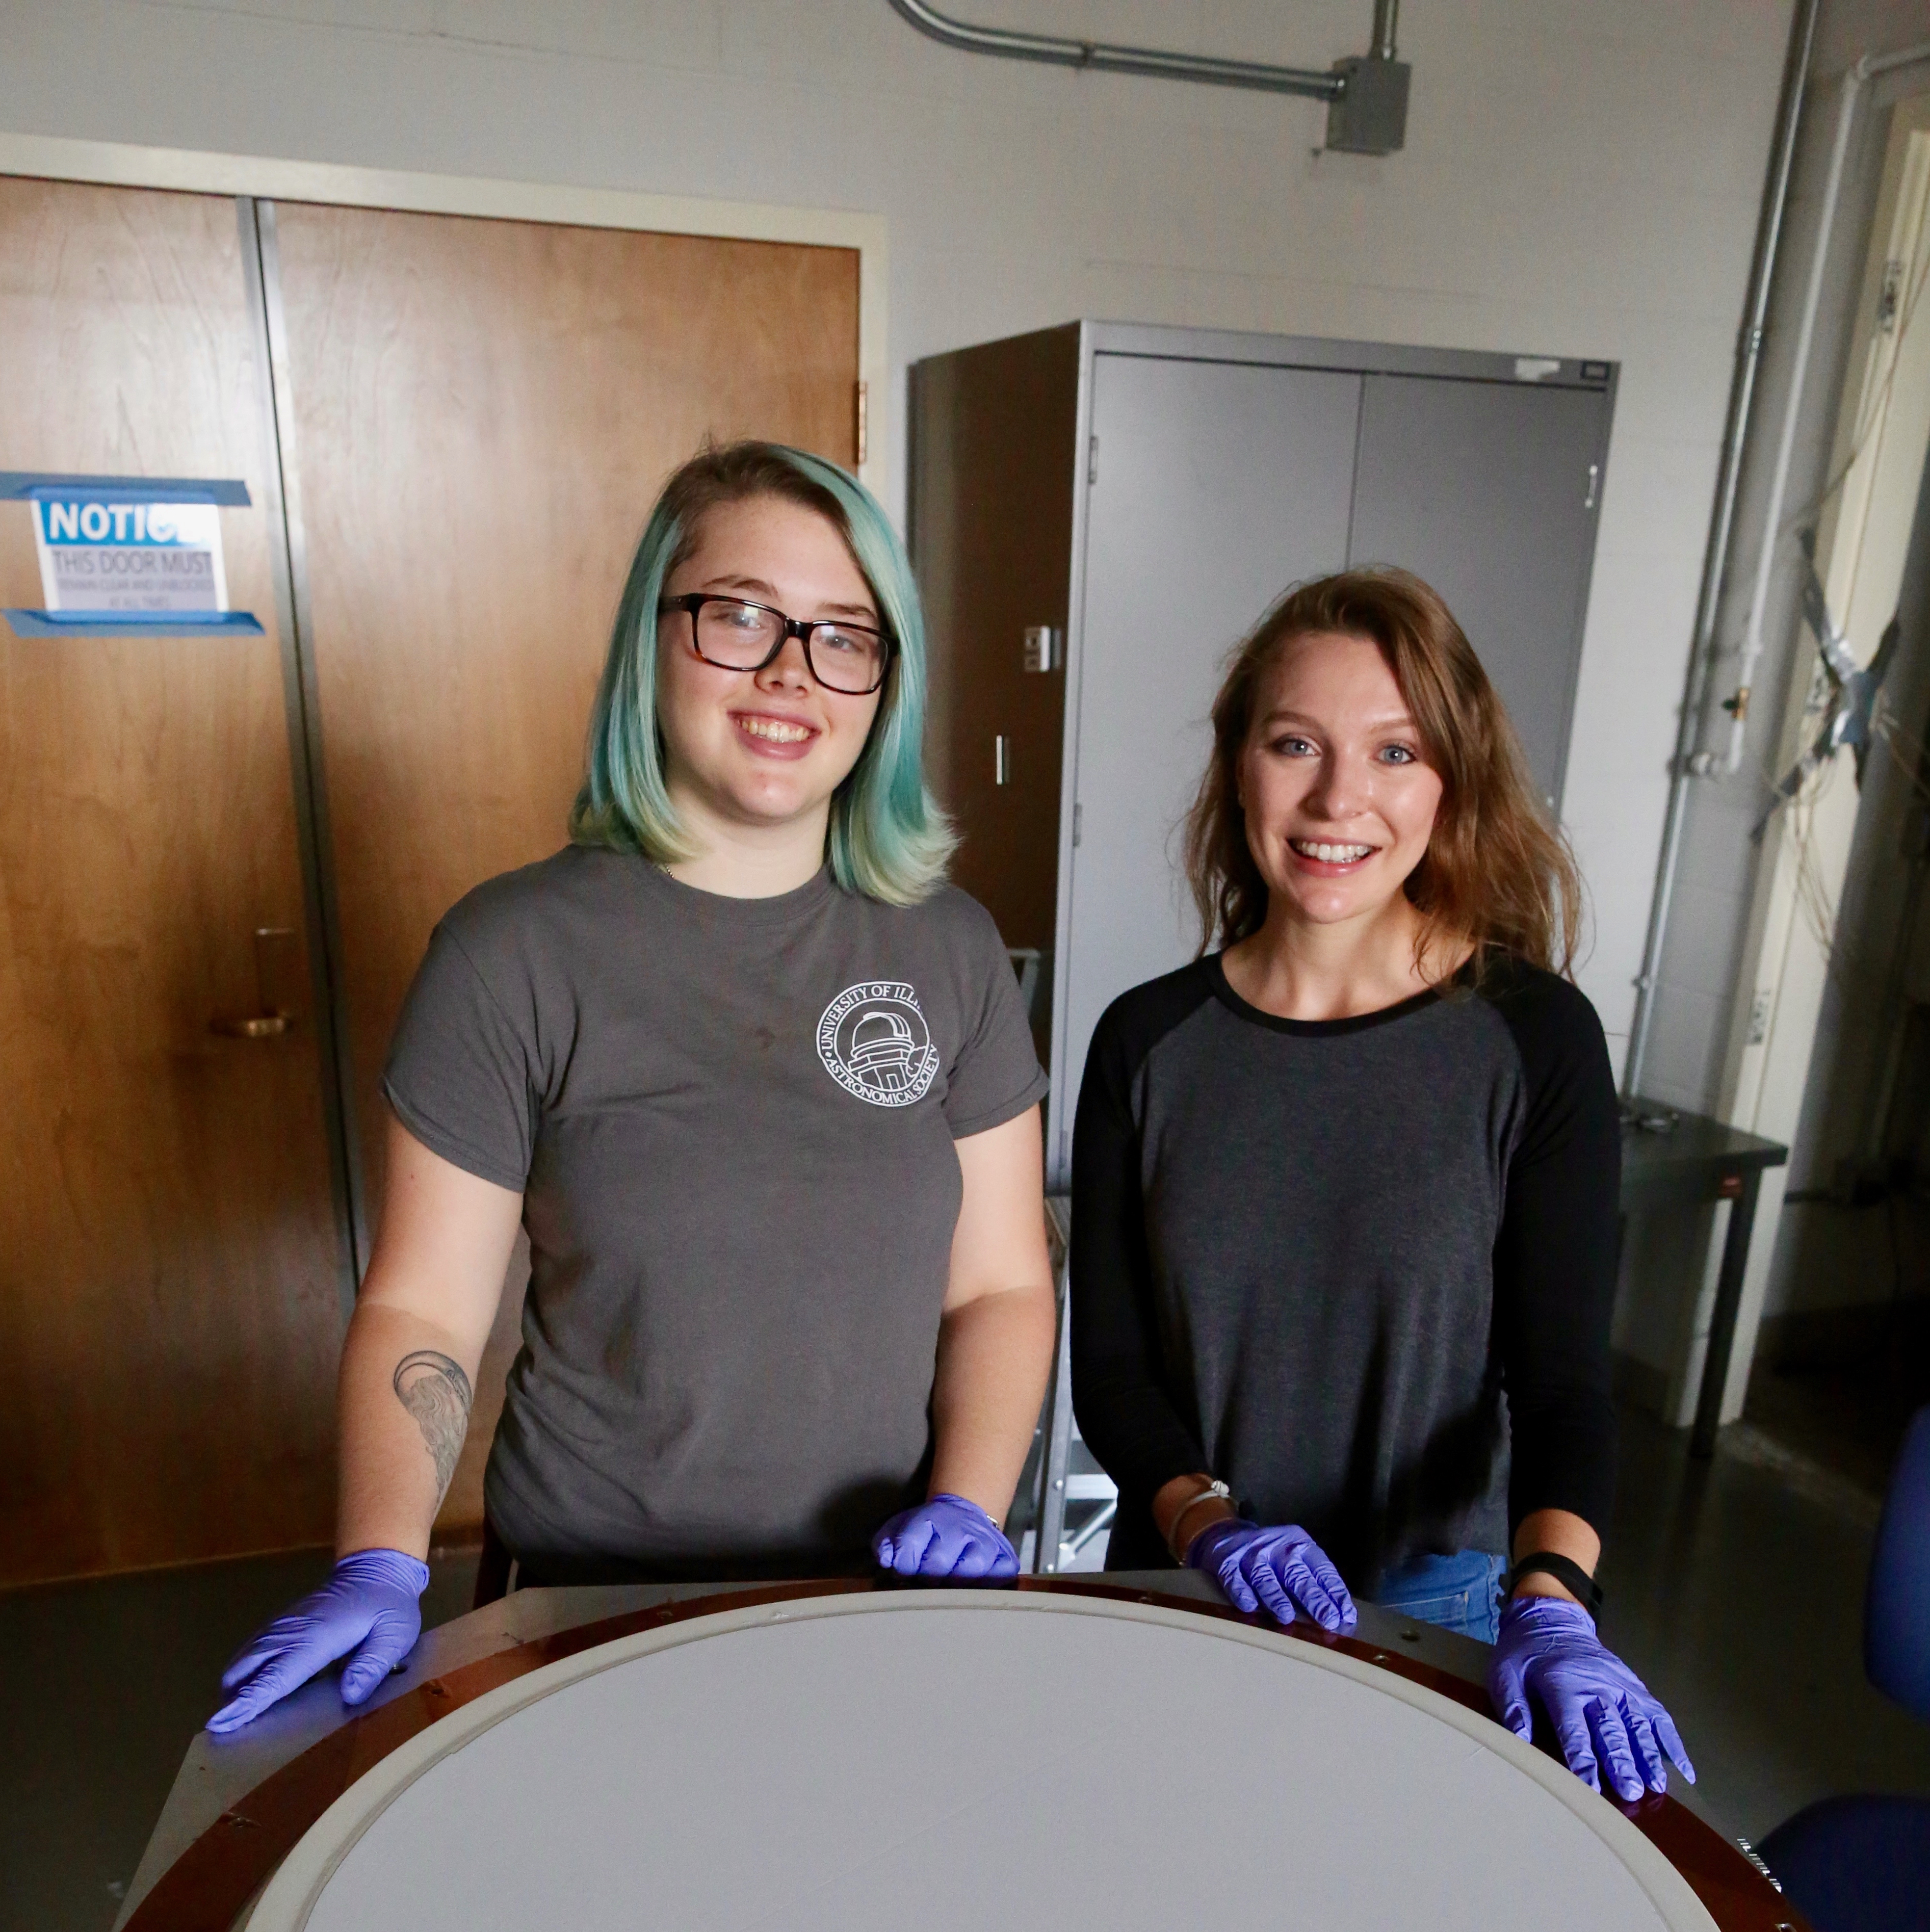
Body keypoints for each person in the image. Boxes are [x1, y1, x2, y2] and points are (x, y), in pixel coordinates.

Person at [210, 441, 1053, 1735]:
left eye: (844, 634)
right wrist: (381, 1553)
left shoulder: (945, 949)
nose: (790, 672)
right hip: (588, 1608)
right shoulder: (511, 955)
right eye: (740, 616)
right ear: (652, 636)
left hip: (878, 1591)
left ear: (886, 680)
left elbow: (999, 1283)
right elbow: (426, 1306)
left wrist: (968, 1502)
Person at [1068, 567, 1690, 1804]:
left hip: (1438, 1603)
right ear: (1238, 762)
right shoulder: (1146, 1042)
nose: (1338, 798)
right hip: (1191, 1579)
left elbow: (1563, 1385)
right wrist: (1208, 1523)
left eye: (1395, 751)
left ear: (1450, 780)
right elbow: (1117, 1376)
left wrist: (1554, 1604)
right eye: (1294, 742)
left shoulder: (1534, 1038)